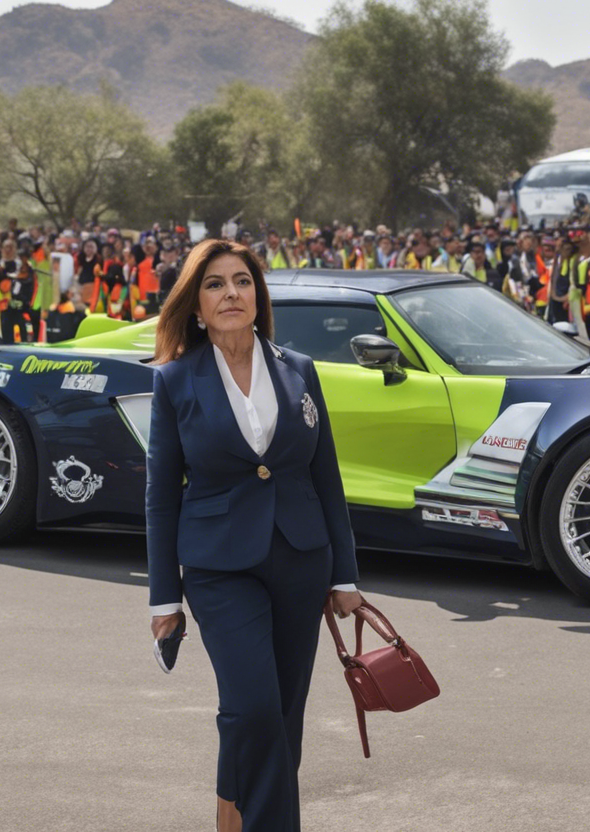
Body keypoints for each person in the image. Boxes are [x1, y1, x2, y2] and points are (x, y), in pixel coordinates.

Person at [146, 239, 362, 832]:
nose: (231, 293)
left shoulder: (299, 369)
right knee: (254, 707)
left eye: (241, 281)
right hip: (220, 568)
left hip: (301, 559)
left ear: (257, 295)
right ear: (195, 305)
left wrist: (344, 575)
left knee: (280, 718)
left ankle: (233, 815)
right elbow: (161, 496)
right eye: (214, 284)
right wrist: (164, 599)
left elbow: (327, 476)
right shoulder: (174, 382)